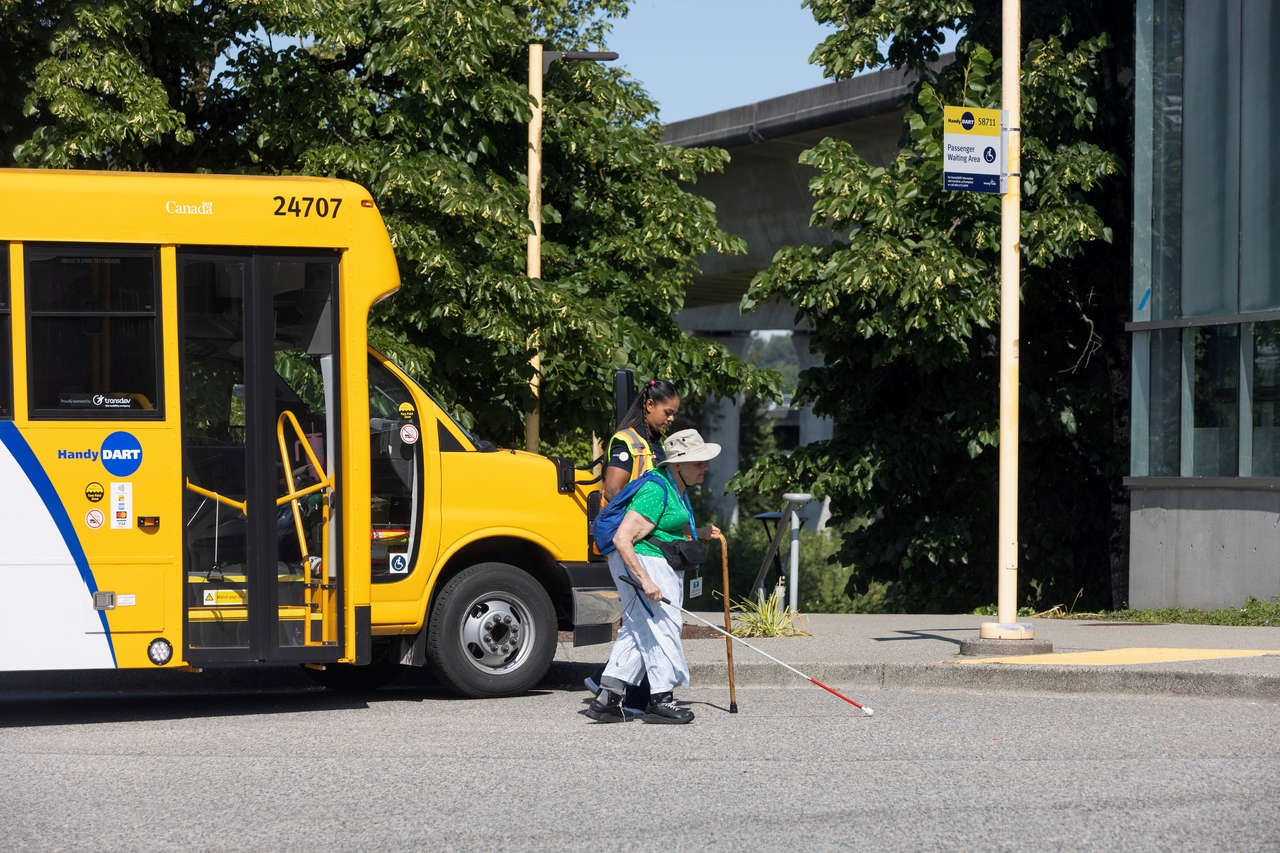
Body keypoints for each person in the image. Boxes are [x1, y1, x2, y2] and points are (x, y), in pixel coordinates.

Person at [586, 428, 721, 724]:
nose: (704, 467)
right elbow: (623, 538)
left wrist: (698, 534)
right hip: (642, 562)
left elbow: (663, 529)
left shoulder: (673, 487)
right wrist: (646, 581)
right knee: (664, 626)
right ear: (677, 464)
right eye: (698, 461)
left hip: (651, 560)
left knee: (638, 630)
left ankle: (608, 698)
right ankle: (661, 700)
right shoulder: (657, 489)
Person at [583, 379, 680, 711]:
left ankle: (611, 690)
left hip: (649, 541)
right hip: (632, 541)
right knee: (649, 621)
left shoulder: (657, 443)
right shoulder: (626, 441)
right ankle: (633, 693)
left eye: (674, 414)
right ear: (650, 405)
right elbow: (612, 489)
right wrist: (646, 508)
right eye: (668, 412)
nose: (671, 419)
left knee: (641, 622)